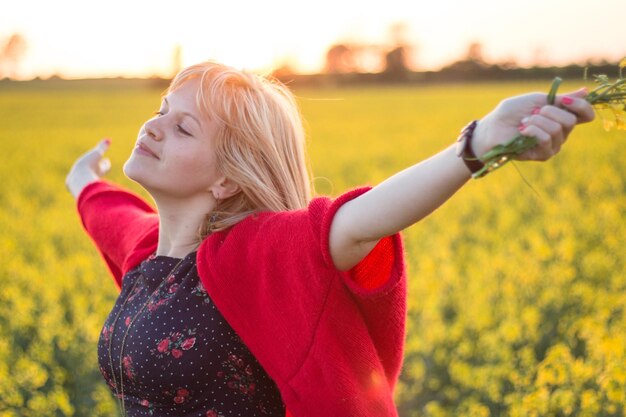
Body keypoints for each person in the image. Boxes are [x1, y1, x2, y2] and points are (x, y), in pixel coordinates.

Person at [66, 61, 594, 417]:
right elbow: (109, 214)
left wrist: (476, 147)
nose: (154, 127)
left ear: (226, 178)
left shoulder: (258, 253)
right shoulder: (148, 255)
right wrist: (83, 180)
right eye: (161, 111)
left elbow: (359, 222)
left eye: (184, 129)